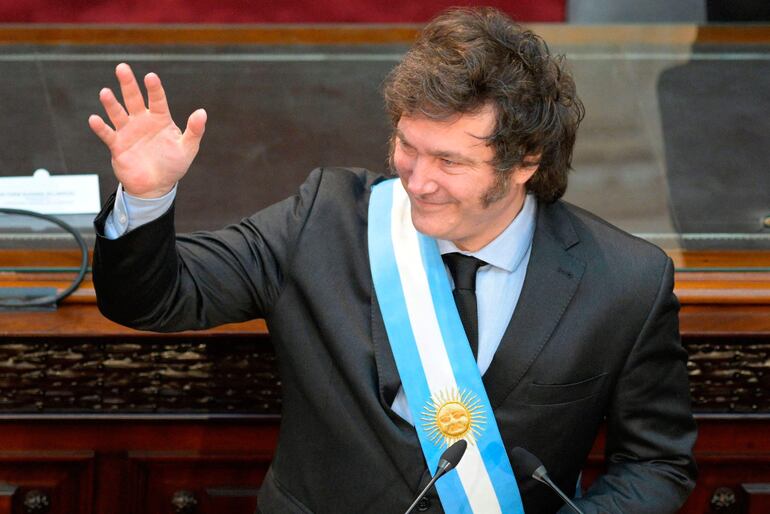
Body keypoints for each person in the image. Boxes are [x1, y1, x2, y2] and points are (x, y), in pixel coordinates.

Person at [89, 7, 697, 514]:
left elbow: (655, 463)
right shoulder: (321, 221)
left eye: (450, 161)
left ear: (525, 162)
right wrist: (147, 197)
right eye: (408, 146)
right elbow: (153, 298)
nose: (419, 181)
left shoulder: (626, 280)